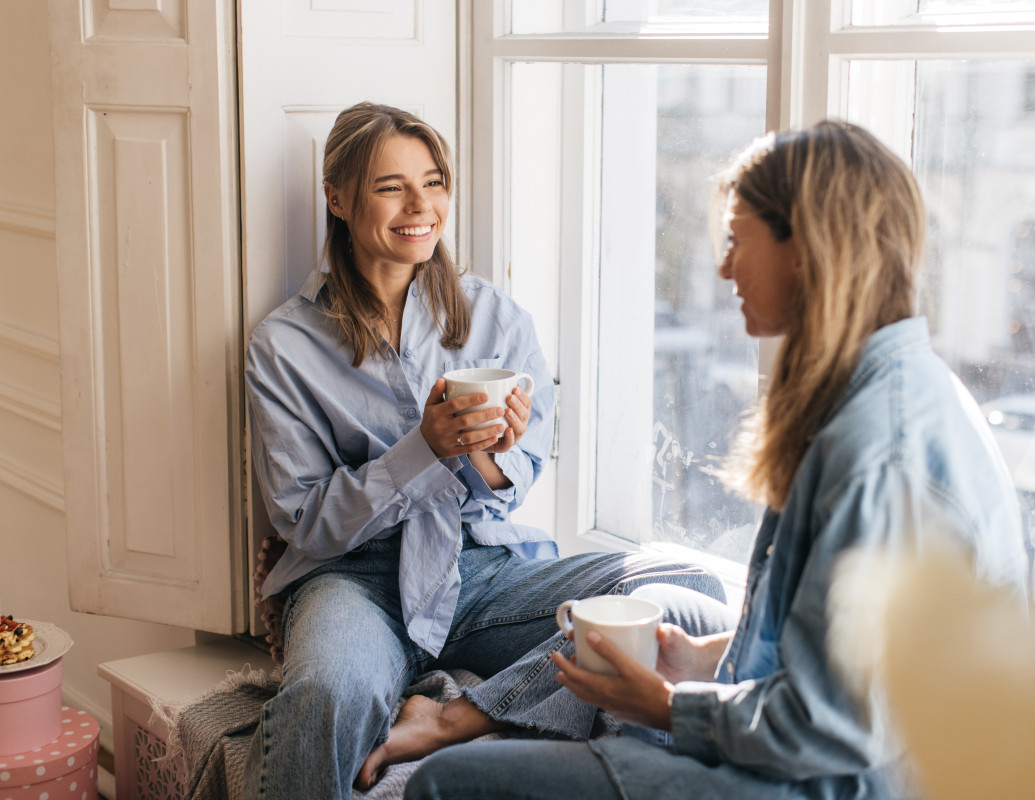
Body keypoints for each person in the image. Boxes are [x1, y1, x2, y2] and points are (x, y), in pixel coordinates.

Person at [403, 120, 1030, 799]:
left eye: (737, 240)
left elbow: (837, 728)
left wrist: (670, 707)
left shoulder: (880, 452)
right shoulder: (886, 383)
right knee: (668, 608)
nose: (724, 267)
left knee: (444, 784)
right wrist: (702, 659)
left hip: (838, 780)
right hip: (847, 732)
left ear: (809, 249)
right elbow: (836, 641)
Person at [240, 101, 734, 800]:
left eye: (435, 181)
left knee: (691, 592)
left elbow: (513, 478)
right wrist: (422, 449)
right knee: (327, 694)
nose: (422, 205)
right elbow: (307, 522)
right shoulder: (282, 348)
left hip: (483, 569)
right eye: (391, 187)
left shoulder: (496, 318)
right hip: (355, 579)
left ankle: (449, 720)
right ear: (338, 199)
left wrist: (486, 454)